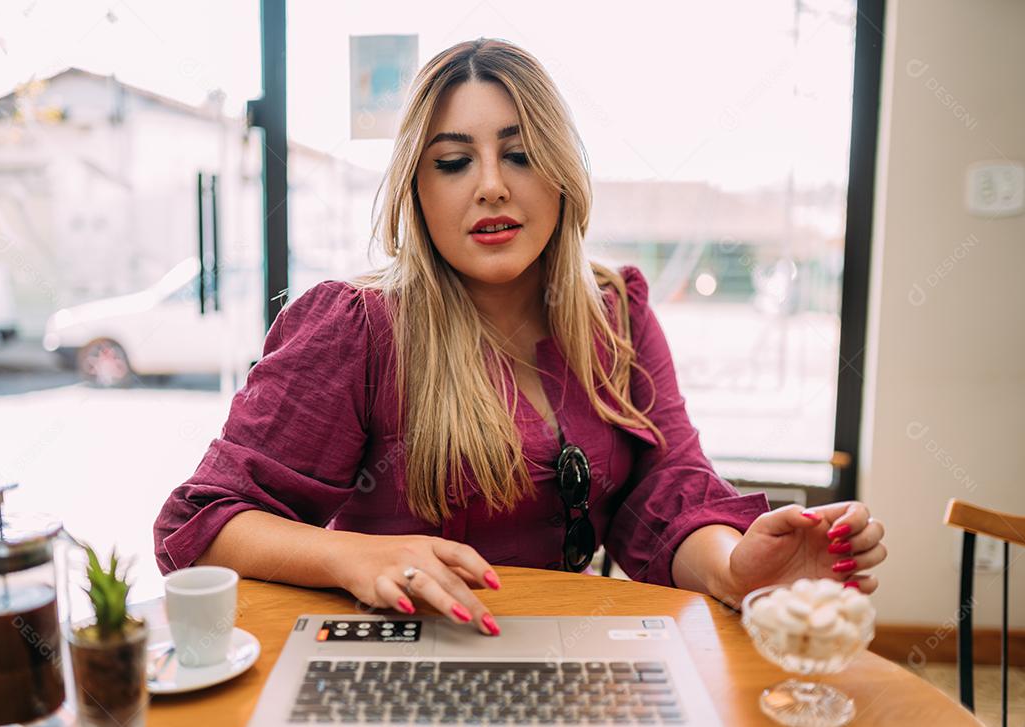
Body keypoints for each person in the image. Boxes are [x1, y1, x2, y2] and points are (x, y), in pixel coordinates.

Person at [153, 38, 886, 638]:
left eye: (521, 152)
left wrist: (737, 569)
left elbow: (667, 494)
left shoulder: (616, 312)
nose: (492, 186)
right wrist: (357, 554)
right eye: (453, 161)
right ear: (417, 190)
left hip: (572, 650)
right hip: (399, 657)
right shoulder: (357, 327)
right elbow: (200, 525)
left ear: (563, 174)